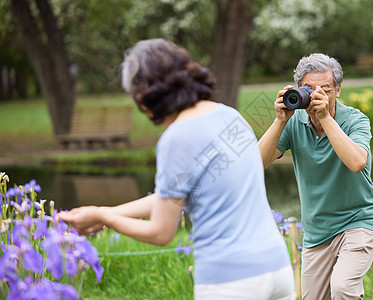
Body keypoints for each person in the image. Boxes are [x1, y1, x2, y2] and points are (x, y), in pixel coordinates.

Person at [58, 39, 296, 300]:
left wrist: (106, 218)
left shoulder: (176, 138)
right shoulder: (230, 116)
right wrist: (102, 213)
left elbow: (160, 232)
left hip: (231, 279)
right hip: (277, 268)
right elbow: (171, 198)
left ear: (145, 95)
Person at [258, 53, 373, 300]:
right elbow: (256, 164)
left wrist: (326, 118)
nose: (318, 96)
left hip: (359, 220)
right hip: (318, 232)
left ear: (338, 90)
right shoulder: (295, 123)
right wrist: (280, 121)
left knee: (343, 288)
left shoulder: (355, 120)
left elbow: (357, 162)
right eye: (309, 90)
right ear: (298, 91)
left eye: (325, 89)